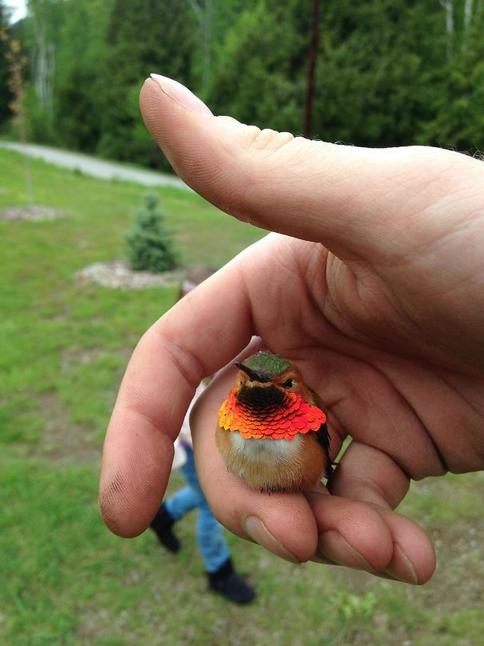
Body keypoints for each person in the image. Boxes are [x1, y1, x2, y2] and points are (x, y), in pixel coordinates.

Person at [99, 75, 484, 586]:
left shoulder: (310, 423)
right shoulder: (231, 417)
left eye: (274, 385)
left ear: (297, 393)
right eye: (249, 383)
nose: (254, 386)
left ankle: (172, 517)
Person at [149, 268, 255, 604]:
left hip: (220, 447)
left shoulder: (229, 351)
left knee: (203, 495)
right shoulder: (178, 363)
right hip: (197, 450)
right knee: (214, 509)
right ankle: (219, 571)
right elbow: (180, 418)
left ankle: (164, 516)